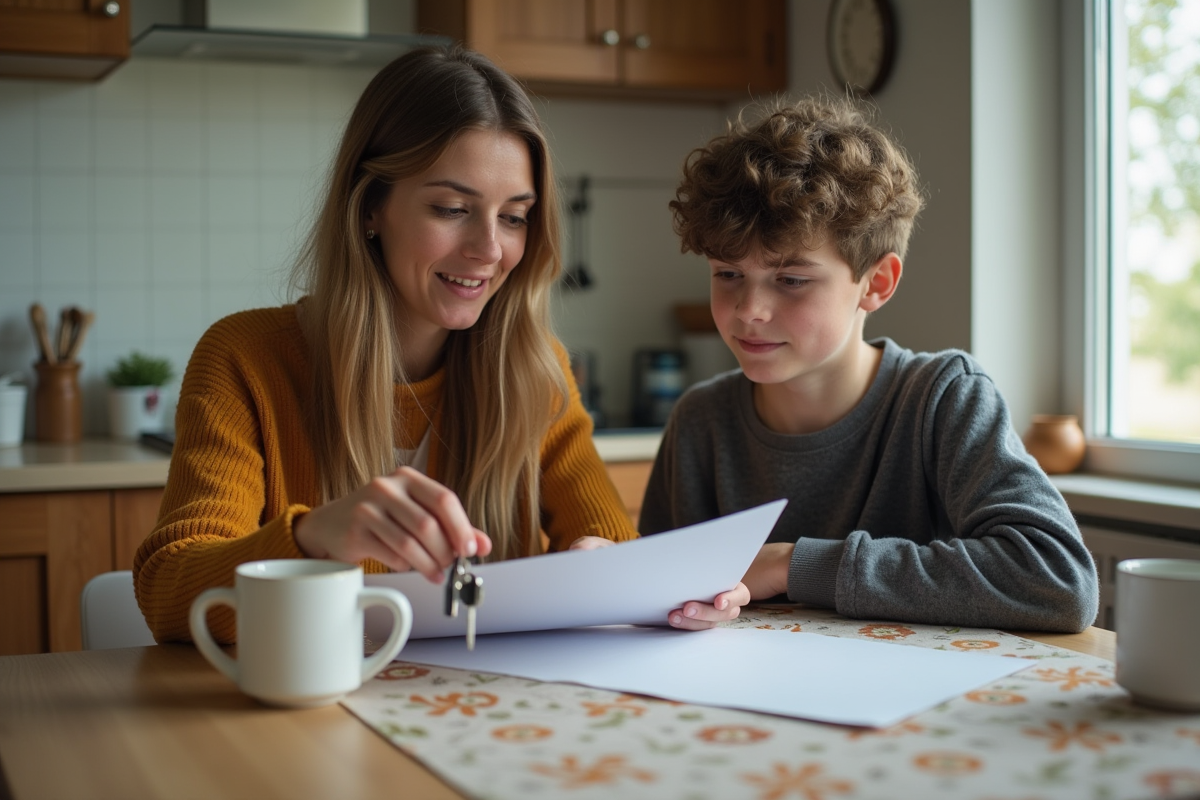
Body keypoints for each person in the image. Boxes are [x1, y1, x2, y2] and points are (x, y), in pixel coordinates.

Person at [134, 45, 748, 643]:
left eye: (514, 216)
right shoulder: (245, 358)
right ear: (371, 207)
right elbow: (168, 594)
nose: (489, 249)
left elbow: (606, 544)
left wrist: (612, 571)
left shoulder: (536, 371)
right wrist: (313, 540)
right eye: (453, 208)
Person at [640, 96, 1099, 633]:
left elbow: (1059, 581)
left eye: (790, 280)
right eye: (727, 274)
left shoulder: (944, 400)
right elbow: (658, 600)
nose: (749, 311)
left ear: (876, 283)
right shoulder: (699, 421)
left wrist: (792, 565)